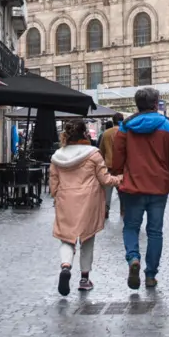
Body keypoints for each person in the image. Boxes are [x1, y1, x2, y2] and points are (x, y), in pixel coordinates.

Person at [111, 87, 169, 290]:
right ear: (155, 103)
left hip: (132, 186)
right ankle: (150, 275)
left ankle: (133, 258)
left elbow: (117, 158)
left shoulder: (125, 128)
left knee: (131, 227)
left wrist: (121, 175)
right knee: (155, 232)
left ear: (137, 104)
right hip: (158, 187)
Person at [49, 120, 122, 296]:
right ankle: (84, 278)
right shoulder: (93, 154)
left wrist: (57, 196)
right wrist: (120, 178)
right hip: (89, 201)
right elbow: (105, 180)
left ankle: (66, 266)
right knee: (87, 238)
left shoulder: (57, 156)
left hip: (66, 200)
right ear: (85, 134)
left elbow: (53, 185)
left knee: (66, 237)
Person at [98, 113, 124, 219]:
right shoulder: (125, 132)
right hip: (122, 167)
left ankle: (106, 211)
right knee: (122, 190)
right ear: (122, 120)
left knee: (107, 191)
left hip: (108, 165)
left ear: (112, 121)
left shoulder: (106, 133)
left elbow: (101, 150)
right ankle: (123, 211)